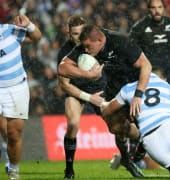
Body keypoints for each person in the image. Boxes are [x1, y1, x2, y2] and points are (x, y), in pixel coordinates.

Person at [57, 24, 152, 177]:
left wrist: (138, 94)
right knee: (115, 127)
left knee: (138, 131)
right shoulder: (80, 47)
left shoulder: (121, 43)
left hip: (131, 86)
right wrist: (88, 75)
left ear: (100, 41)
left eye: (88, 46)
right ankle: (70, 169)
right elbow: (62, 69)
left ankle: (135, 157)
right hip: (108, 90)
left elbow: (146, 65)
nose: (86, 50)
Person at [56, 16, 106, 180]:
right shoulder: (65, 53)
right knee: (73, 123)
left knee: (120, 126)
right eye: (75, 34)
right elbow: (64, 85)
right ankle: (69, 170)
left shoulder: (96, 44)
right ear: (69, 33)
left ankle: (128, 159)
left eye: (82, 32)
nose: (79, 37)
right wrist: (88, 98)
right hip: (76, 91)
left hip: (99, 89)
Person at [0, 14, 42, 180]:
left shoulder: (9, 31)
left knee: (14, 133)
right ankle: (6, 148)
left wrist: (29, 24)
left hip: (16, 88)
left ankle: (14, 170)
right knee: (4, 130)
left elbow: (37, 37)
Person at [129, 0, 170, 87]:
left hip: (167, 69)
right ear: (148, 9)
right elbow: (129, 48)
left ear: (164, 8)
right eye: (153, 8)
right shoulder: (139, 27)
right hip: (147, 70)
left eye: (160, 7)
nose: (157, 11)